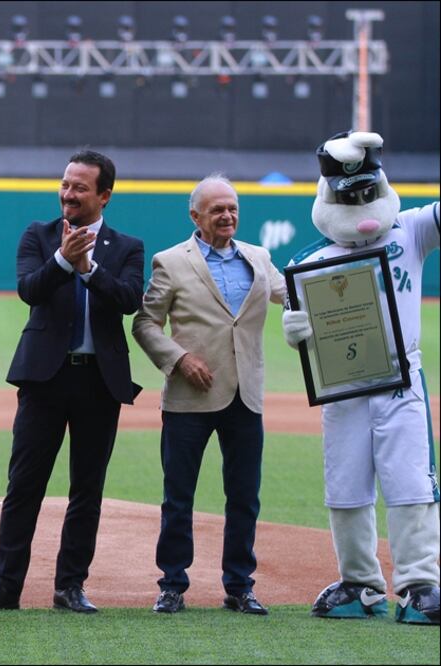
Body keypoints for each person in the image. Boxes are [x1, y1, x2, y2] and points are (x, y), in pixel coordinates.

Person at [0, 151, 144, 613]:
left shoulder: (127, 247)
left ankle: (70, 588)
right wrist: (65, 262)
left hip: (99, 384)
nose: (69, 194)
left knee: (87, 491)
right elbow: (29, 289)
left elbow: (129, 299)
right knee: (23, 485)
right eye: (66, 184)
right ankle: (5, 587)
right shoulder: (40, 235)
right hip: (44, 381)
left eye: (80, 187)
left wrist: (88, 269)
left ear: (104, 195)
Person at [283, 131, 438, 625]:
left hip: (399, 382)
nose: (361, 203)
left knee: (411, 482)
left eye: (367, 191)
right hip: (343, 388)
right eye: (349, 195)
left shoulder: (411, 230)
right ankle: (360, 583)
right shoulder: (309, 264)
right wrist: (297, 330)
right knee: (345, 487)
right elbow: (302, 327)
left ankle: (419, 584)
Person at [131, 175, 285, 615]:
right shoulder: (170, 261)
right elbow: (144, 323)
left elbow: (293, 294)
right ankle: (172, 585)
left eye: (233, 207)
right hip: (189, 398)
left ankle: (239, 586)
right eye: (217, 209)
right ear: (195, 215)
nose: (227, 215)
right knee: (179, 496)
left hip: (246, 396)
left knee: (244, 496)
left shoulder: (259, 258)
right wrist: (179, 359)